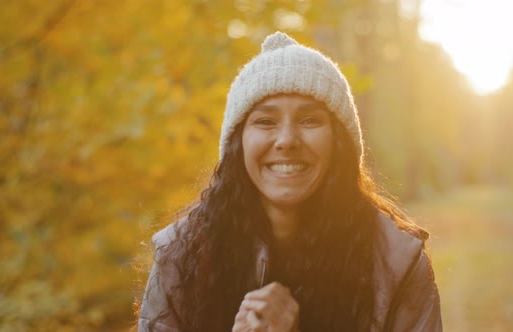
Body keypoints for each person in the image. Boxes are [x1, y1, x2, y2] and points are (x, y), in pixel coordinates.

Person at [138, 31, 442, 332]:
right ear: (237, 144)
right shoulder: (178, 257)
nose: (286, 140)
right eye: (265, 121)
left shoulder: (398, 263)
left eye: (310, 120)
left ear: (340, 143)